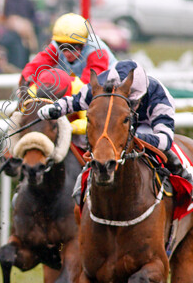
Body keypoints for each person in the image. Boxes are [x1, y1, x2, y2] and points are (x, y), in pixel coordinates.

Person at [38, 60, 193, 189]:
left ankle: (184, 176)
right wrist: (55, 108)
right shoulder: (103, 84)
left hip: (146, 127)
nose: (130, 107)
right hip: (116, 125)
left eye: (133, 103)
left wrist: (133, 136)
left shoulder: (158, 96)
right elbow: (76, 101)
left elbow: (165, 140)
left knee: (165, 150)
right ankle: (82, 185)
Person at [20, 13, 117, 88]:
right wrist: (26, 83)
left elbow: (89, 86)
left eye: (73, 47)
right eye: (62, 47)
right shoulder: (55, 46)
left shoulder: (97, 52)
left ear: (84, 43)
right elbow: (35, 67)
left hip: (106, 90)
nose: (67, 53)